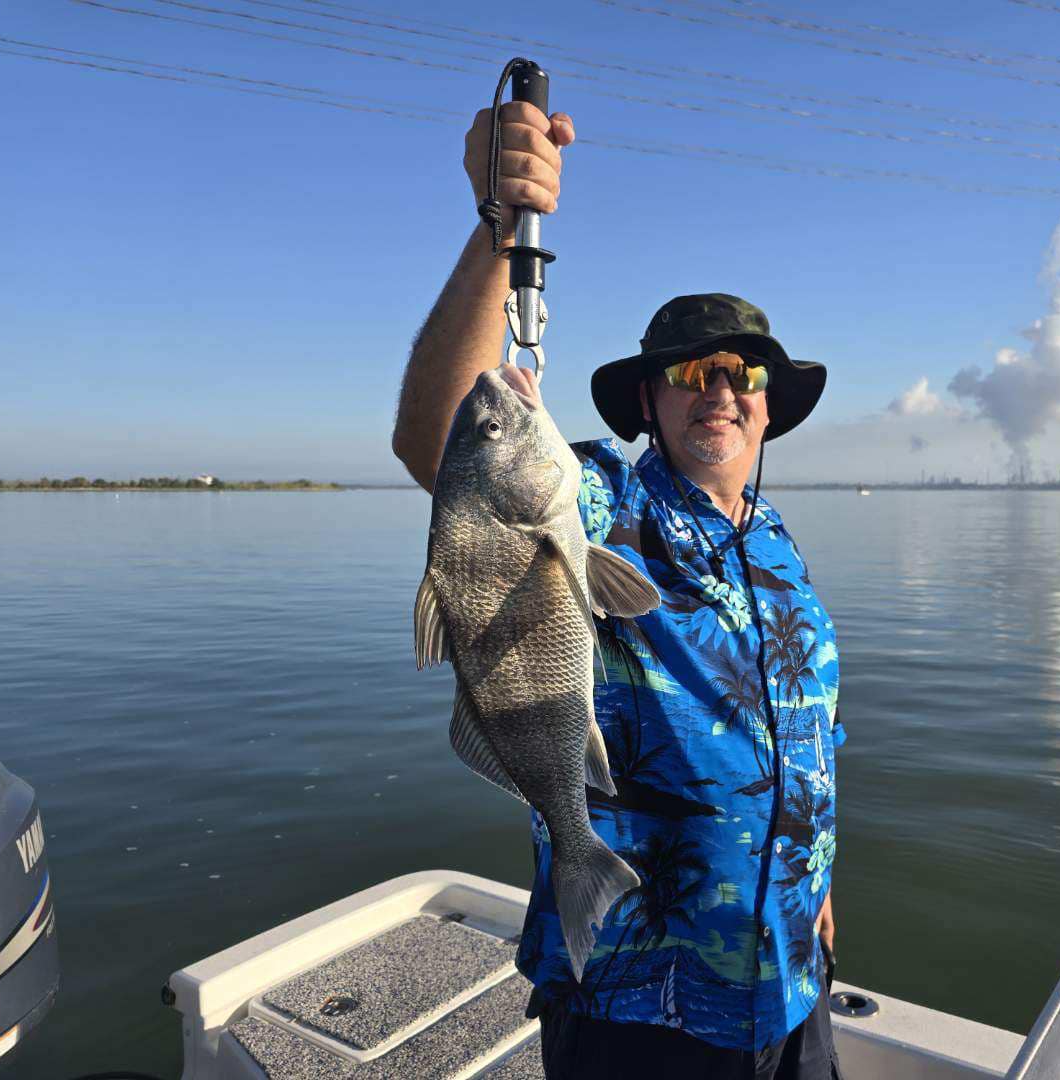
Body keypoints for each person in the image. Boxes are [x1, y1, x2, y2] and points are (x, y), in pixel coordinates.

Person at [392, 100, 844, 1080]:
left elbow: (807, 732)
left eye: (742, 372)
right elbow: (440, 440)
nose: (719, 388)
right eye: (691, 371)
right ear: (649, 400)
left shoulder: (776, 544)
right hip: (641, 995)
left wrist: (815, 883)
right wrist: (499, 226)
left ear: (767, 407)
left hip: (790, 977)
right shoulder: (599, 498)